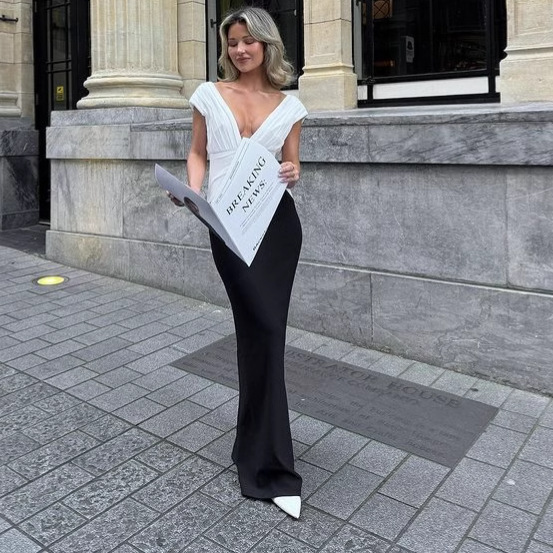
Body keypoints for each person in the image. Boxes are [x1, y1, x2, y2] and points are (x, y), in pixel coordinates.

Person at [168, 7, 307, 519]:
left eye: (249, 41)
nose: (240, 50)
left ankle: (260, 454)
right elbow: (198, 152)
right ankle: (269, 466)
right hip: (227, 227)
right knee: (262, 331)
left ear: (267, 45)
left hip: (277, 226)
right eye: (232, 42)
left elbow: (292, 164)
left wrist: (292, 170)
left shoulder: (290, 106)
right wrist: (193, 190)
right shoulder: (209, 95)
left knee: (265, 335)